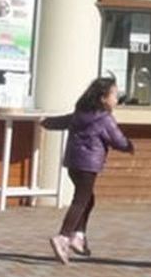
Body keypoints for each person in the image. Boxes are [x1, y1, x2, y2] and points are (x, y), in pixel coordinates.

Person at [42, 75, 133, 263]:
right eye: (114, 95)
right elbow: (116, 139)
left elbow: (61, 121)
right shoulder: (105, 118)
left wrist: (45, 122)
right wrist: (128, 146)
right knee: (81, 201)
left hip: (73, 163)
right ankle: (63, 237)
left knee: (88, 199)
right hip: (88, 165)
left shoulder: (80, 113)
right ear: (103, 98)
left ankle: (78, 237)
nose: (117, 99)